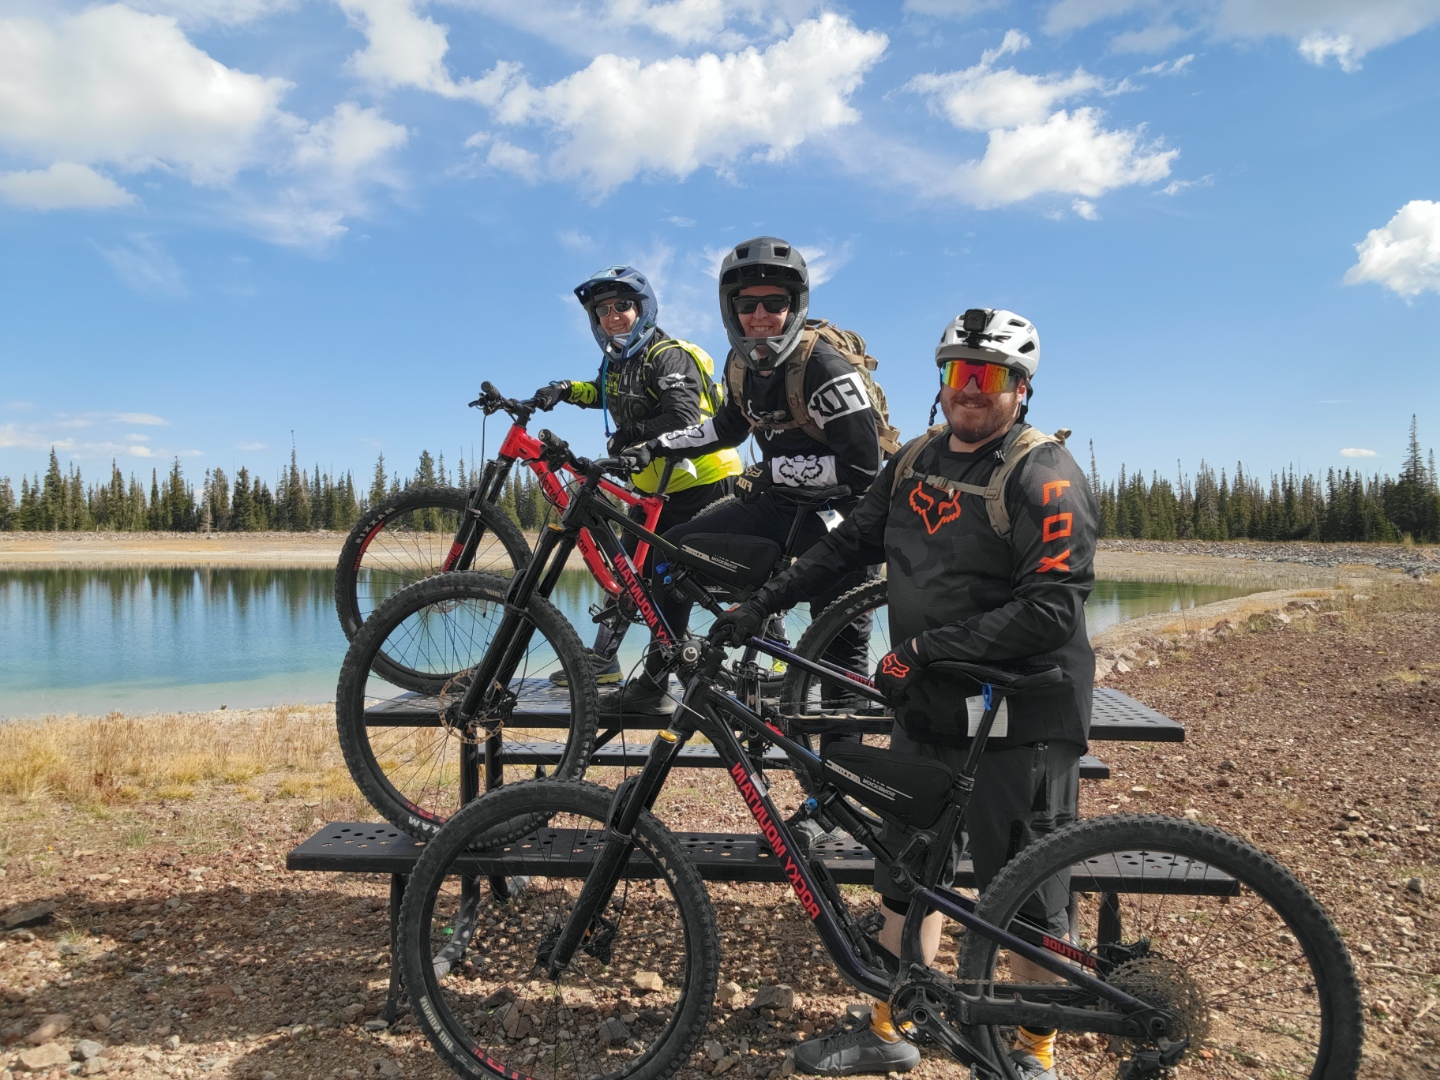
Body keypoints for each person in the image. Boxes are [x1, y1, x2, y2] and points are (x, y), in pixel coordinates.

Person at [712, 307, 1097, 1080]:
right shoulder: (916, 456)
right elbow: (849, 541)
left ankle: (1034, 1053)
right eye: (958, 372)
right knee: (908, 870)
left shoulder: (1044, 473)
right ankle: (890, 1024)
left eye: (989, 377)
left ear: (1021, 389)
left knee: (1024, 894)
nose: (971, 390)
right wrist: (766, 601)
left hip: (1020, 713)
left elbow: (1055, 605)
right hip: (931, 705)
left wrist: (924, 648)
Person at [602, 237, 882, 720]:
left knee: (840, 660)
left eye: (775, 303)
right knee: (669, 557)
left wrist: (772, 468)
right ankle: (657, 678)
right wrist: (656, 445)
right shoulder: (741, 364)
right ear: (731, 310)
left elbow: (863, 470)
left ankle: (834, 778)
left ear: (795, 306)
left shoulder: (825, 369)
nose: (760, 315)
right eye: (747, 304)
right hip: (777, 506)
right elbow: (726, 428)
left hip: (844, 518)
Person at [531, 265, 741, 683]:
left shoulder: (666, 355)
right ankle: (607, 659)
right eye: (603, 310)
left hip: (702, 480)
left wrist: (628, 436)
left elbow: (684, 415)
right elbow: (600, 393)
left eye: (623, 306)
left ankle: (770, 654)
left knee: (708, 578)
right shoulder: (616, 362)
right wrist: (563, 390)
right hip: (653, 489)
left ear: (643, 308)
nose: (613, 316)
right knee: (626, 572)